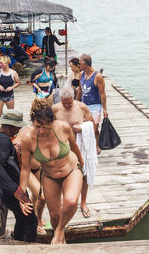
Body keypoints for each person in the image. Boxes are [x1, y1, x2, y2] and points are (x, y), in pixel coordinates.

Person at [19, 99, 85, 244]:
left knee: (71, 201)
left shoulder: (63, 127)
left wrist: (82, 163)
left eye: (46, 127)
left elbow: (75, 147)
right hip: (49, 176)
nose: (42, 130)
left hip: (71, 170)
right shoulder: (27, 139)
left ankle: (60, 231)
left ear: (53, 121)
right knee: (54, 216)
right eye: (37, 126)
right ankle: (61, 241)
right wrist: (22, 197)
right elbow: (25, 170)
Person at [0, 109, 37, 242]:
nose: (18, 130)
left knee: (21, 219)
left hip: (4, 190)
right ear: (11, 126)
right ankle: (33, 248)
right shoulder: (4, 141)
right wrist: (15, 189)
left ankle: (18, 240)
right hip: (12, 191)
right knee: (32, 221)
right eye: (17, 127)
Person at [52, 85, 97, 219]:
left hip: (79, 146)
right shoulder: (55, 109)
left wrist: (83, 128)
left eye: (70, 103)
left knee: (84, 175)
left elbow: (93, 124)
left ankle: (83, 202)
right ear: (60, 100)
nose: (67, 106)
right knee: (61, 174)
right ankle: (63, 200)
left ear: (73, 98)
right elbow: (48, 126)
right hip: (62, 147)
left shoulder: (81, 107)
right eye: (64, 104)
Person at [12, 126, 47, 235]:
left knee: (37, 195)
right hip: (26, 169)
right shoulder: (27, 133)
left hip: (39, 166)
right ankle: (36, 221)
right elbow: (16, 143)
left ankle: (38, 217)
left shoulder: (50, 131)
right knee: (42, 196)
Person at [77, 54, 108, 154]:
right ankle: (89, 146)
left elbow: (103, 94)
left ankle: (96, 146)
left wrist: (105, 109)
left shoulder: (98, 76)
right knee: (83, 128)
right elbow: (80, 91)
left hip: (95, 105)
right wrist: (76, 104)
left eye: (80, 64)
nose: (78, 66)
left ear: (85, 65)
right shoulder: (81, 74)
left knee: (93, 129)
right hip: (83, 105)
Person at [0, 56, 20, 130]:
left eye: (2, 63)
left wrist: (12, 87)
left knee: (11, 114)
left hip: (9, 96)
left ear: (7, 63)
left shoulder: (13, 73)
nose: (0, 64)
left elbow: (18, 82)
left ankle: (11, 129)